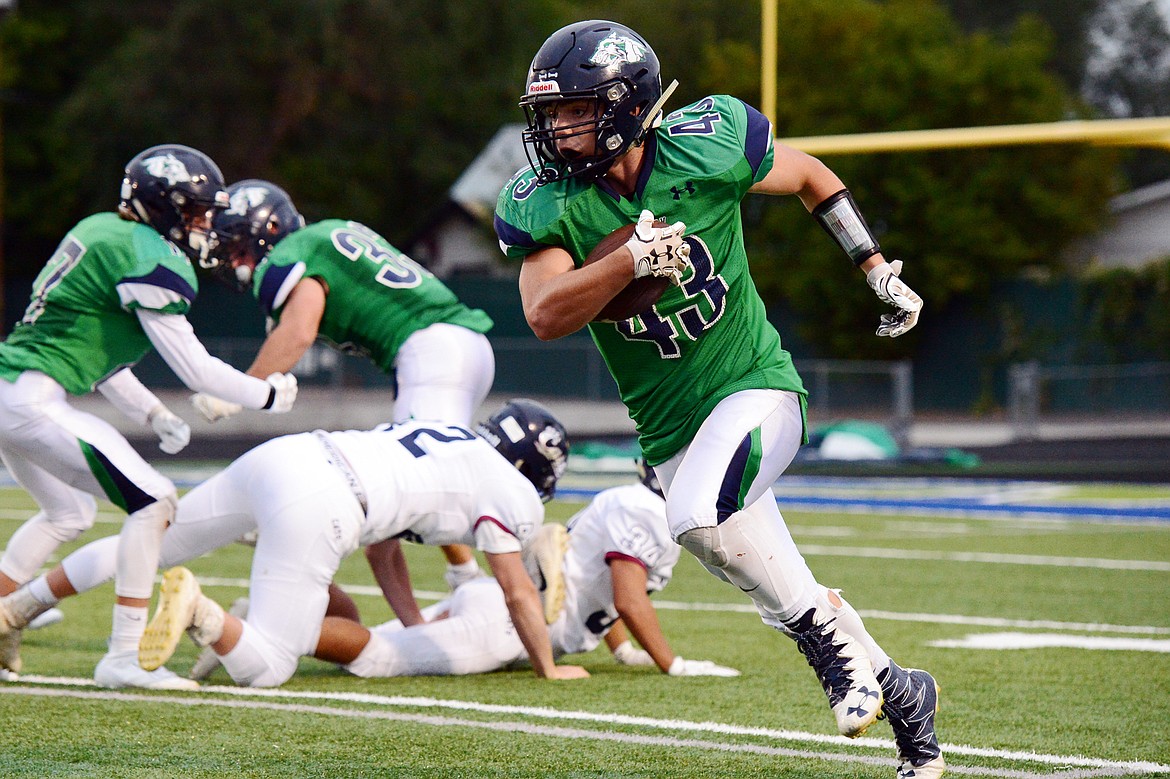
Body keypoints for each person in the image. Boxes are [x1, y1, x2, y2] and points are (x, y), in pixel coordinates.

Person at [493, 20, 941, 779]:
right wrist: (629, 259)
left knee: (693, 514)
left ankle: (834, 663)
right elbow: (544, 313)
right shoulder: (549, 202)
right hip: (671, 428)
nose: (560, 130)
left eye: (576, 111)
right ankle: (910, 707)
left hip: (756, 389)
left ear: (628, 107)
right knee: (769, 568)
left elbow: (807, 174)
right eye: (553, 115)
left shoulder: (708, 141)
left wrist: (871, 264)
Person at [0, 399, 587, 687]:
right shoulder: (516, 493)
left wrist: (410, 623)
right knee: (271, 666)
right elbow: (514, 588)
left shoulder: (450, 435)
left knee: (154, 539)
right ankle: (202, 614)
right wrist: (547, 669)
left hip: (291, 452)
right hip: (326, 499)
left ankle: (16, 608)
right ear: (535, 461)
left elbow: (386, 548)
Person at [0, 144, 298, 690]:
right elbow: (197, 369)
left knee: (69, 514)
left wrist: (153, 412)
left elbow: (98, 358)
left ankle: (2, 614)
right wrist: (267, 395)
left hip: (14, 392)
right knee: (155, 500)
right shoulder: (145, 252)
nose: (207, 224)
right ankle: (121, 657)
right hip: (29, 400)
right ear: (166, 207)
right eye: (198, 211)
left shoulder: (100, 231)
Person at [195, 179, 496, 590]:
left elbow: (299, 331)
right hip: (458, 348)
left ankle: (522, 546)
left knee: (421, 481)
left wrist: (242, 389)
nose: (237, 260)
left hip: (432, 350)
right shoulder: (325, 235)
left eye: (240, 247)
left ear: (267, 230)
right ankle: (466, 574)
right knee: (427, 476)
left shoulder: (292, 252)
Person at [325, 459, 738, 679]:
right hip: (509, 626)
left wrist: (622, 649)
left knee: (366, 638)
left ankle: (292, 602)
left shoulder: (628, 500)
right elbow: (628, 599)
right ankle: (283, 625)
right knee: (378, 656)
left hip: (496, 607)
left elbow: (603, 588)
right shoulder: (646, 510)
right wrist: (673, 664)